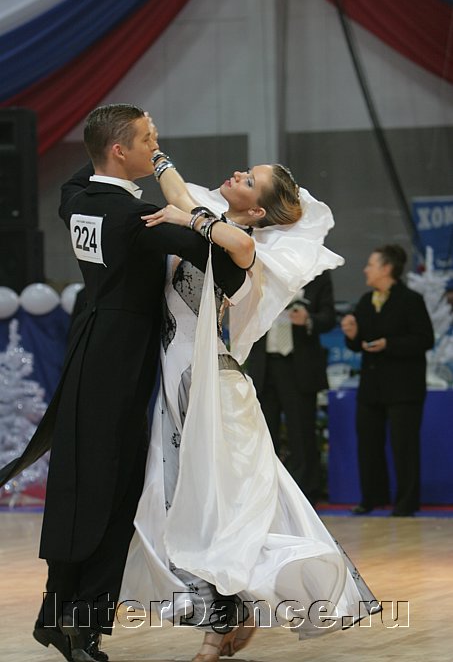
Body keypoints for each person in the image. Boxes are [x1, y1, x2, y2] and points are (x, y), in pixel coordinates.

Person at [0, 104, 252, 662]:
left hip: (87, 349)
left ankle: (59, 617)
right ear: (120, 151)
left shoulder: (77, 199)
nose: (157, 148)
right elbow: (230, 262)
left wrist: (129, 141)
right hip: (121, 362)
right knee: (111, 493)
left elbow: (85, 169)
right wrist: (193, 212)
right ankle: (79, 624)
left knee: (81, 486)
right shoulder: (139, 219)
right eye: (148, 140)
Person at [120, 153, 381, 662]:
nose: (238, 174)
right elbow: (178, 194)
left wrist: (188, 219)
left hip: (214, 391)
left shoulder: (241, 244)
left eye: (249, 180)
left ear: (257, 211)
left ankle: (220, 625)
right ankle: (229, 611)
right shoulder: (209, 222)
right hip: (179, 386)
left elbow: (235, 243)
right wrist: (156, 155)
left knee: (223, 509)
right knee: (189, 506)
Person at [341, 244, 434, 517]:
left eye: (371, 265)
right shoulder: (365, 301)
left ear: (386, 268)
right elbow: (358, 344)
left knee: (404, 446)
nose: (365, 270)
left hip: (404, 388)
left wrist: (389, 344)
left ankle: (406, 502)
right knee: (368, 443)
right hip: (372, 386)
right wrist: (352, 334)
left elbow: (424, 339)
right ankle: (371, 497)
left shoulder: (410, 300)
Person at [246, 270, 336, 504]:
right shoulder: (262, 268)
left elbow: (329, 317)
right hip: (265, 364)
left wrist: (309, 319)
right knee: (265, 433)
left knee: (301, 432)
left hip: (298, 365)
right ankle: (267, 494)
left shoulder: (317, 273)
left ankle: (304, 495)